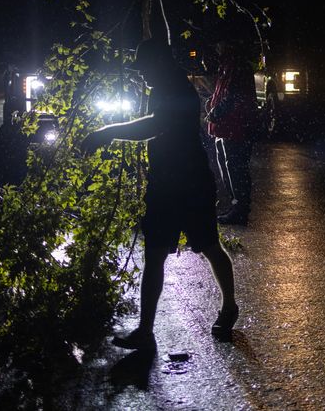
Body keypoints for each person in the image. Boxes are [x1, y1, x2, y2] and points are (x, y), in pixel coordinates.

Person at [81, 37, 239, 350]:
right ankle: (146, 331)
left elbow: (154, 125)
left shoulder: (178, 89)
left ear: (158, 64)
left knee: (209, 246)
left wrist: (109, 132)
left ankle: (229, 307)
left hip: (190, 183)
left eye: (144, 68)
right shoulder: (164, 86)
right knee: (154, 254)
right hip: (166, 183)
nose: (141, 74)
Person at [204, 40, 257, 225]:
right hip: (227, 127)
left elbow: (233, 96)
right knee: (229, 169)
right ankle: (236, 206)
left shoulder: (236, 66)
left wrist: (215, 112)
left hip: (235, 127)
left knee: (235, 169)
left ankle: (240, 209)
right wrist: (212, 102)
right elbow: (225, 93)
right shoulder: (228, 65)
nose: (217, 47)